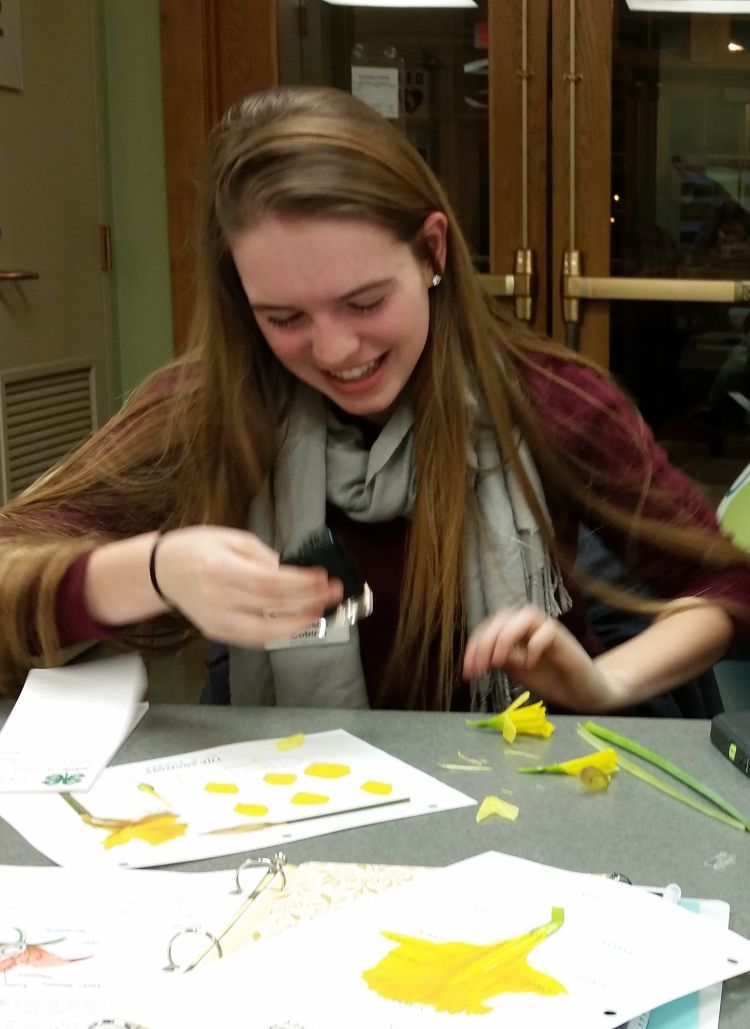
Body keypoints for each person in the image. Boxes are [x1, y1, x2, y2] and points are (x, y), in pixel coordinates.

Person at [1, 85, 750, 715]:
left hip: (529, 788)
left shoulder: (550, 399)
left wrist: (603, 682)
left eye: (364, 302)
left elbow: (726, 582)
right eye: (283, 318)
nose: (334, 352)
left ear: (432, 251)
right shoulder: (207, 409)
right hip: (288, 796)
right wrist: (155, 569)